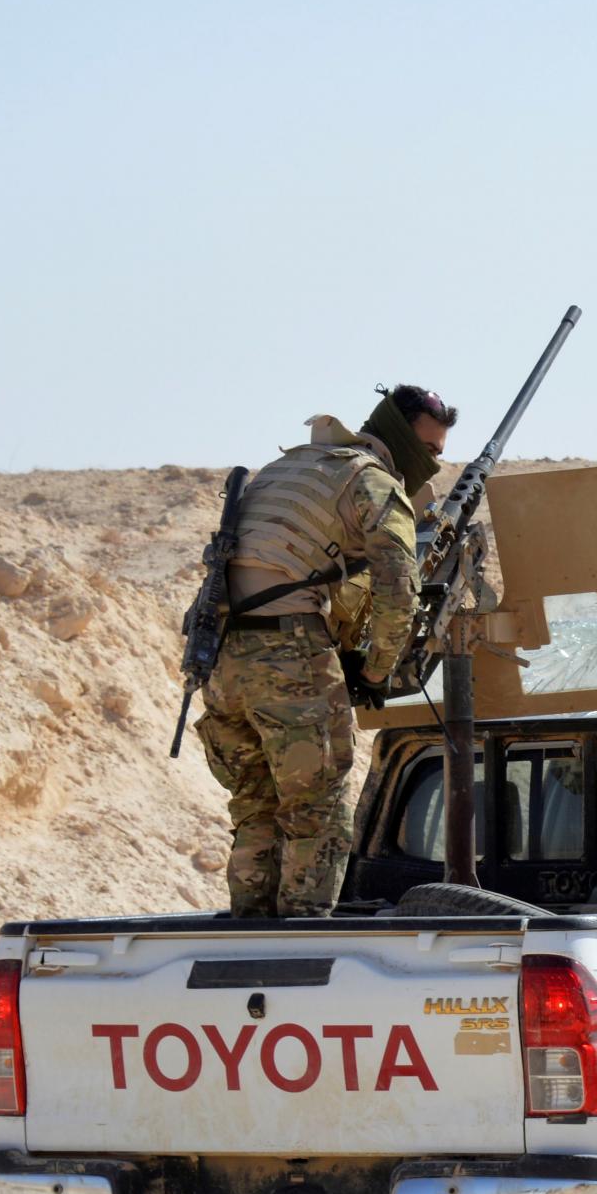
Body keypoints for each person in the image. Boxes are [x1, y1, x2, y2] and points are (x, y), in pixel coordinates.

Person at [196, 385, 454, 917]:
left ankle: (251, 934)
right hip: (290, 650)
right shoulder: (373, 481)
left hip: (222, 657)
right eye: (429, 451)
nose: (433, 464)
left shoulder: (290, 467)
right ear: (402, 437)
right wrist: (378, 670)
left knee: (256, 809)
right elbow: (398, 589)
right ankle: (302, 936)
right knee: (319, 809)